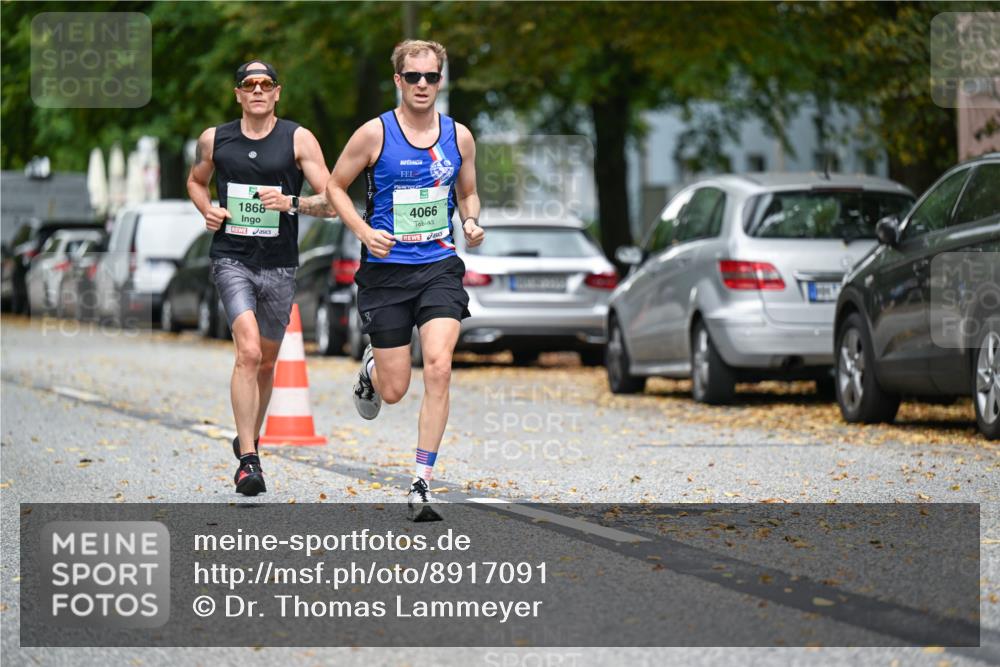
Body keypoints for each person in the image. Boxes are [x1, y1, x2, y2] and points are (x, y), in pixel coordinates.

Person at [325, 40, 485, 521]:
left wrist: (472, 221)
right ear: (398, 80)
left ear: (441, 80)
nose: (422, 85)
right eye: (413, 77)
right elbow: (334, 186)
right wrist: (363, 231)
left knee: (438, 365)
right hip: (386, 274)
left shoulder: (459, 137)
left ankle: (420, 482)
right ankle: (373, 370)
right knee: (395, 390)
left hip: (438, 266)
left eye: (431, 77)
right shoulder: (374, 134)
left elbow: (469, 193)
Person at [187, 60, 335, 496]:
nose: (257, 90)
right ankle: (248, 461)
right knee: (248, 352)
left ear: (276, 92)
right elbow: (196, 182)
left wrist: (291, 202)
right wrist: (207, 209)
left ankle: (248, 433)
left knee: (268, 361)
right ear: (237, 94)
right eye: (248, 84)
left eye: (265, 84)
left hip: (280, 263)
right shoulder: (215, 139)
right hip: (232, 258)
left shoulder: (298, 138)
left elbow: (330, 200)